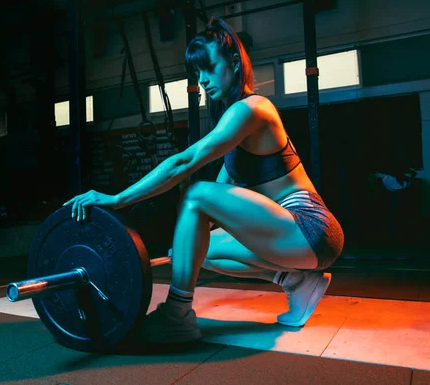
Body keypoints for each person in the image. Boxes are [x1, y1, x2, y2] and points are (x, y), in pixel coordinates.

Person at [63, 17, 344, 343]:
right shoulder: (235, 127)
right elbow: (218, 202)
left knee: (196, 193)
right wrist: (185, 247)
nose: (203, 80)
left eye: (209, 67)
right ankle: (297, 281)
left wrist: (116, 200)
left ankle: (177, 315)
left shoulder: (253, 108)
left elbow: (184, 163)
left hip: (310, 229)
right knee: (197, 251)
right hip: (291, 239)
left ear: (234, 63)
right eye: (197, 73)